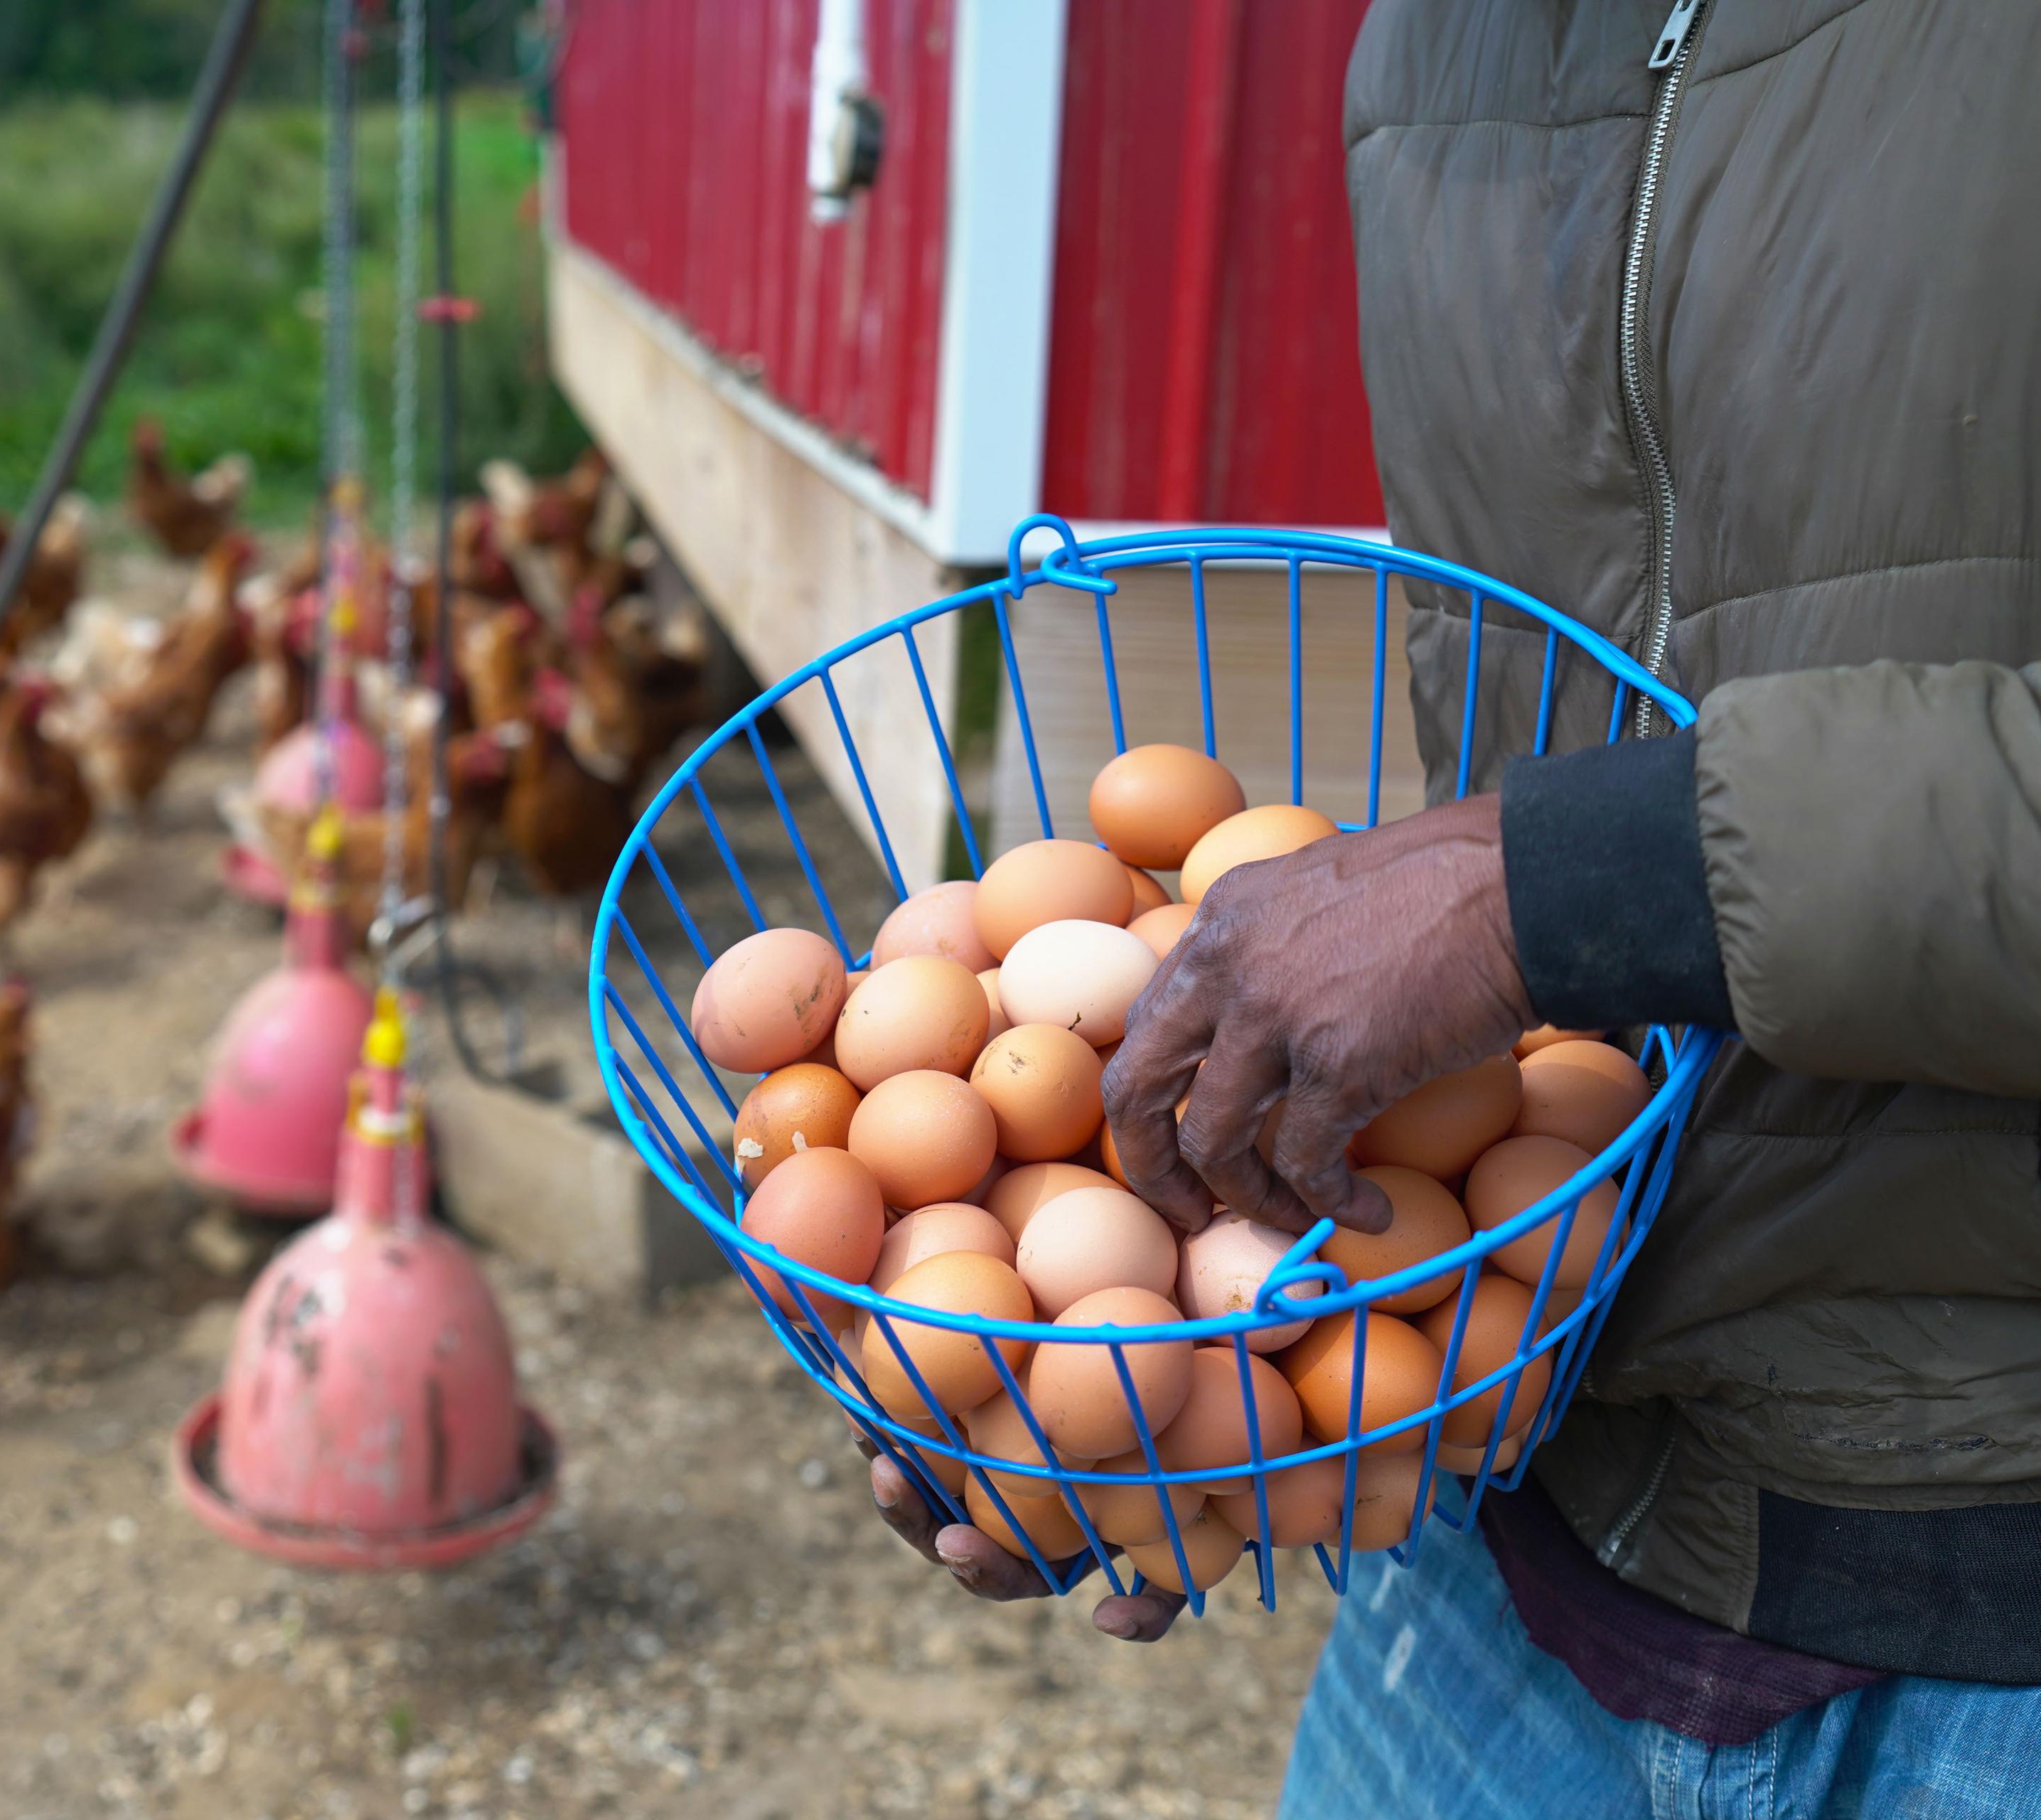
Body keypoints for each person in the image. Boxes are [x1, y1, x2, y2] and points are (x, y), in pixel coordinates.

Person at [860, 4, 2041, 1813]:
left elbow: (1547, 861)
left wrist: (1543, 883)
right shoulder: (1437, 47)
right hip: (1526, 1517)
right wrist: (1174, 1405)